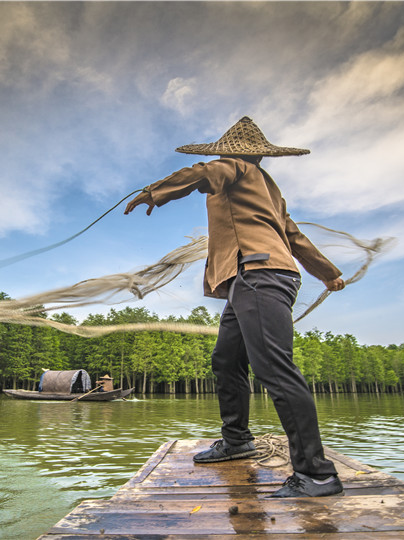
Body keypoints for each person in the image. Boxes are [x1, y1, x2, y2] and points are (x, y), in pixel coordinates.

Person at [124, 116, 346, 498]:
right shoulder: (268, 190)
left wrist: (154, 191)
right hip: (251, 281)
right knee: (226, 360)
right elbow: (294, 236)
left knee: (275, 369)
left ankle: (316, 474)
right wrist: (328, 273)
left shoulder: (234, 167)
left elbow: (202, 173)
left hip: (258, 275)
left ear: (234, 153)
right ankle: (237, 441)